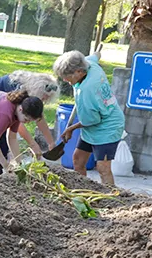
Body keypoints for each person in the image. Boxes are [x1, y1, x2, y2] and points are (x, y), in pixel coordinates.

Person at [53, 50, 125, 186]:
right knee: (78, 160)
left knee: (102, 167)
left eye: (67, 76)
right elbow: (96, 55)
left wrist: (71, 128)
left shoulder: (87, 90)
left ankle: (111, 199)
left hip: (107, 127)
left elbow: (91, 120)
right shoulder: (89, 63)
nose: (64, 79)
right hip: (93, 123)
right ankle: (81, 191)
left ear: (79, 72)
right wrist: (97, 53)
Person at [0, 71, 59, 175]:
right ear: (37, 93)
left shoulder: (31, 96)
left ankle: (0, 171)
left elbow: (39, 117)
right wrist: (32, 144)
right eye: (43, 98)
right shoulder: (19, 93)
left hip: (1, 112)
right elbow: (18, 123)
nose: (43, 101)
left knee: (3, 148)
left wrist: (51, 143)